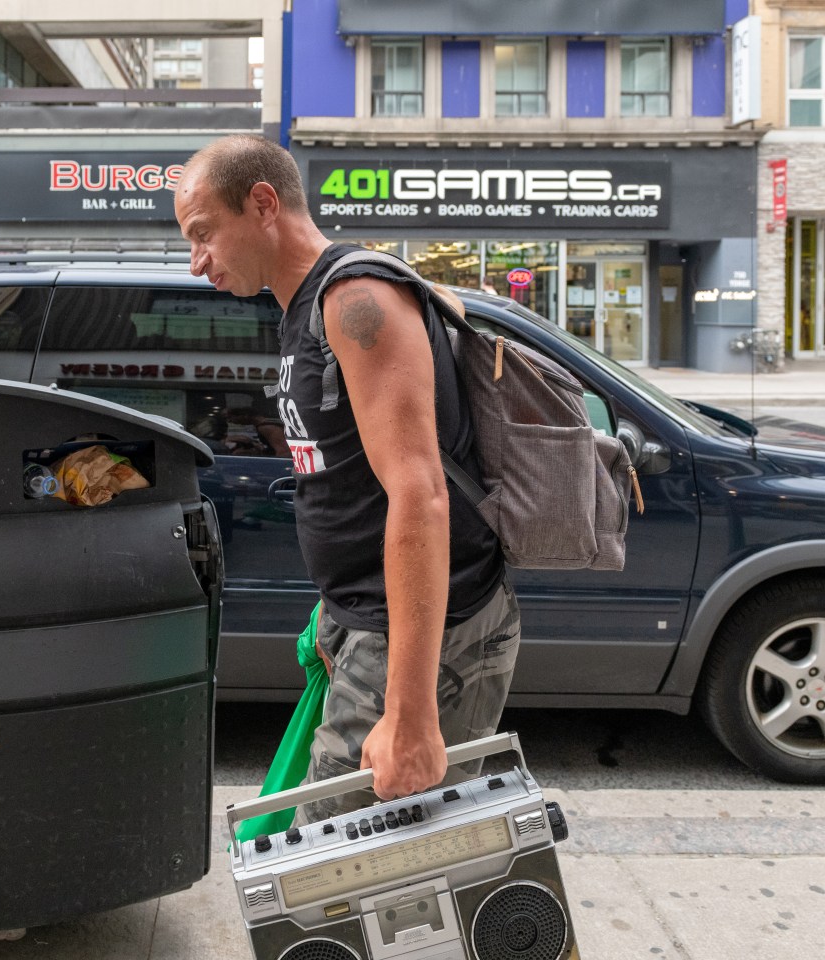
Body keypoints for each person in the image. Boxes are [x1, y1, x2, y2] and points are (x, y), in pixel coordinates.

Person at [174, 135, 516, 824]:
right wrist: (335, 612)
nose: (196, 261)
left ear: (263, 204)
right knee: (360, 866)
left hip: (422, 640)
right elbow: (346, 478)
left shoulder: (355, 299)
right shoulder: (305, 307)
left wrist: (410, 713)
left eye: (204, 233)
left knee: (338, 867)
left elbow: (419, 494)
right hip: (365, 622)